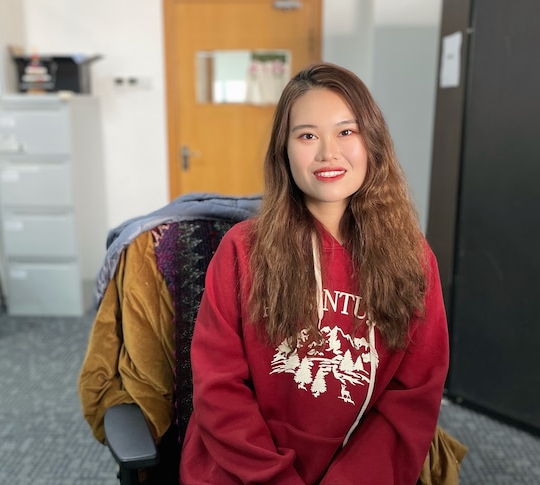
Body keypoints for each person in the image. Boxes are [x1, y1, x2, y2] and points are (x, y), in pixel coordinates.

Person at [179, 62, 450, 485]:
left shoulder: (413, 259)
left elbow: (411, 398)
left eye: (346, 131)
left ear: (372, 141)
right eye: (307, 135)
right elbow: (218, 389)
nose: (328, 153)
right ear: (283, 151)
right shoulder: (242, 249)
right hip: (238, 472)